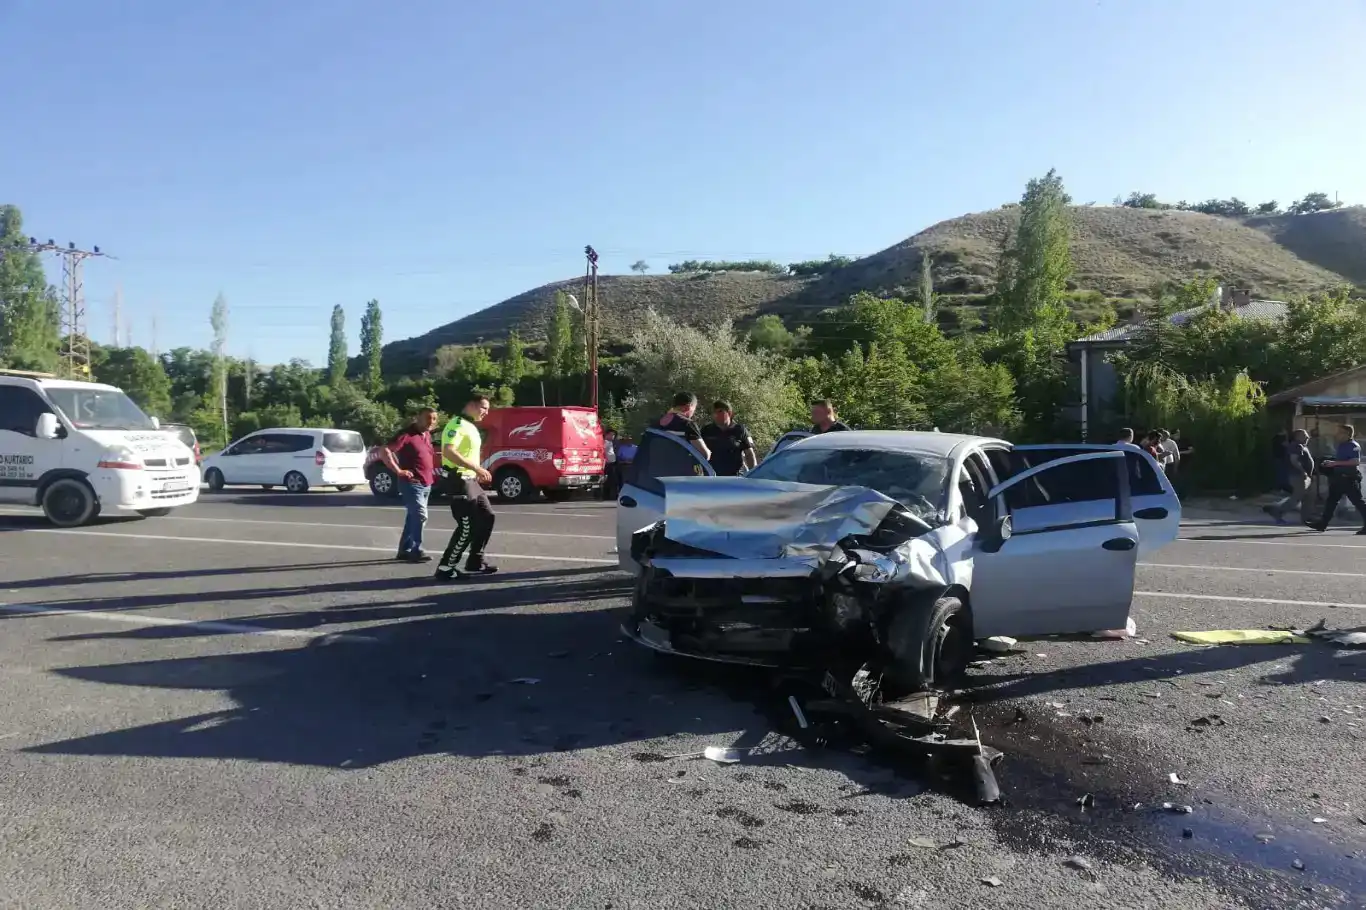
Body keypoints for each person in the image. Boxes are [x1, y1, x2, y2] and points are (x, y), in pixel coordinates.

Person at [435, 394, 498, 579]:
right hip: (458, 480)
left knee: (487, 517)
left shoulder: (471, 426)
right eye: (483, 407)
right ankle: (446, 568)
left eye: (487, 409)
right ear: (471, 405)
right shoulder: (456, 425)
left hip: (471, 481)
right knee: (467, 526)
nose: (486, 412)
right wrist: (477, 468)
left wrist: (476, 471)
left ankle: (475, 561)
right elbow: (448, 450)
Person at [381, 407, 440, 562]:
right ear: (418, 417)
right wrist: (398, 470)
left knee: (413, 517)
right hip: (411, 483)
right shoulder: (406, 434)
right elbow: (385, 450)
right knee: (420, 516)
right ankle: (417, 549)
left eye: (434, 419)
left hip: (426, 483)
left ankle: (404, 550)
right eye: (428, 418)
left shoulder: (426, 434)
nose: (431, 422)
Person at [1307, 423, 1366, 534]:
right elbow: (1342, 460)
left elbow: (1355, 461)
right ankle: (1322, 524)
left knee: (1358, 502)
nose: (1336, 434)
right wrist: (1330, 462)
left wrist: (1334, 463)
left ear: (1347, 434)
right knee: (1331, 501)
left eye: (1339, 432)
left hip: (1349, 479)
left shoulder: (1353, 445)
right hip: (1338, 478)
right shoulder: (1341, 445)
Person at [1265, 429, 1313, 525]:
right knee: (1297, 497)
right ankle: (1277, 511)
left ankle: (1306, 518)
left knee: (1307, 497)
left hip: (1304, 476)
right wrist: (1303, 471)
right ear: (1298, 437)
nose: (1308, 437)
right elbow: (1294, 460)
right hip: (1298, 475)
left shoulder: (1302, 446)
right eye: (1305, 435)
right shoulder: (1296, 446)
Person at [701, 401, 757, 476]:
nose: (716, 414)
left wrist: (754, 474)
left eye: (720, 411)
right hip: (711, 477)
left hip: (735, 477)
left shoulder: (740, 430)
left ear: (729, 413)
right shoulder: (706, 430)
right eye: (714, 412)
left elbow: (749, 454)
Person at [654, 392, 711, 460]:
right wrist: (708, 452)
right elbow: (704, 455)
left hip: (655, 468)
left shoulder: (655, 423)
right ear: (688, 407)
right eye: (694, 409)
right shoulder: (687, 424)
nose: (693, 413)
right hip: (678, 468)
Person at [600, 428, 618, 500]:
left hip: (612, 463)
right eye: (611, 435)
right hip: (607, 464)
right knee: (608, 480)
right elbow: (602, 452)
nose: (613, 436)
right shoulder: (605, 442)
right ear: (607, 435)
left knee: (612, 480)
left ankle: (611, 495)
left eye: (614, 435)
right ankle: (606, 495)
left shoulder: (610, 442)